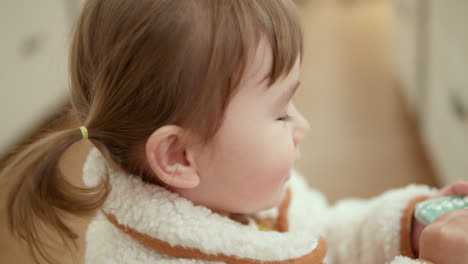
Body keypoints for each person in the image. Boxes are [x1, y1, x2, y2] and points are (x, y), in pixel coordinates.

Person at [3, 1, 468, 263]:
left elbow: (324, 235)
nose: (303, 126)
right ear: (179, 157)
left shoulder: (238, 188)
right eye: (282, 112)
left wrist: (409, 224)